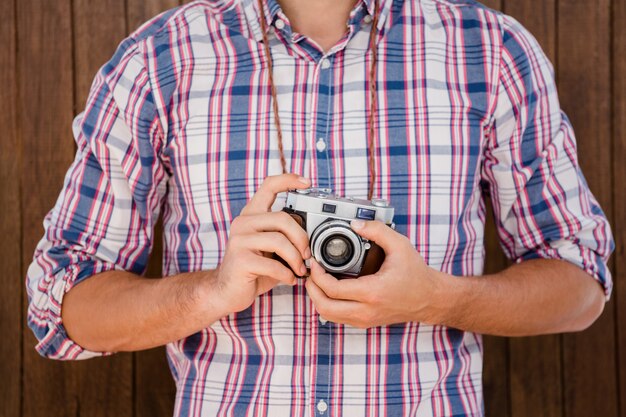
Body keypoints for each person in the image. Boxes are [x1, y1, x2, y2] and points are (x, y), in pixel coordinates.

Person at [26, 0, 613, 415]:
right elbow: (65, 306)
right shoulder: (159, 61)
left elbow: (581, 284)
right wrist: (213, 291)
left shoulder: (492, 52)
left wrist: (436, 297)